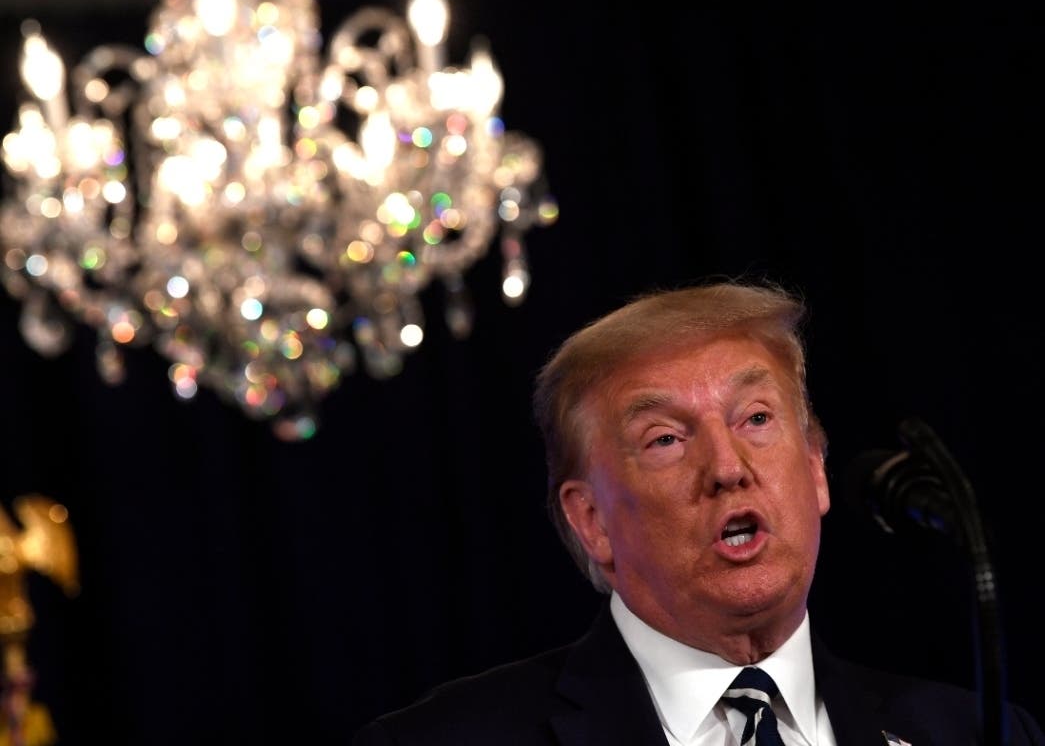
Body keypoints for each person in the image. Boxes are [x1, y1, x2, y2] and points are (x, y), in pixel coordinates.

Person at [351, 278, 1045, 746]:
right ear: (591, 521)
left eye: (755, 418)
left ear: (814, 469)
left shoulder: (976, 733)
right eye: (665, 439)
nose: (726, 468)